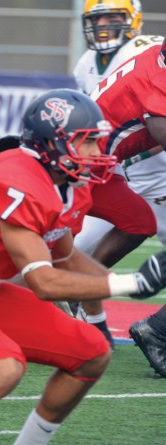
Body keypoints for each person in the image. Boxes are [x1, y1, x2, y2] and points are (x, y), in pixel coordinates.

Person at [0, 88, 166, 445]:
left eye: (97, 142)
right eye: (85, 143)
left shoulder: (73, 186)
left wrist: (120, 286)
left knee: (92, 353)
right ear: (50, 146)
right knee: (3, 368)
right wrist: (128, 283)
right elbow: (42, 282)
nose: (96, 153)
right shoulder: (17, 179)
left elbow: (66, 257)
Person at [71, 0, 162, 347]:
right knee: (52, 252)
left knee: (65, 253)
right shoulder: (92, 63)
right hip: (97, 167)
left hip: (114, 169)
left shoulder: (147, 48)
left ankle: (87, 309)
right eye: (99, 18)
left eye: (113, 17)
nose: (105, 25)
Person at [88, 38, 166, 377]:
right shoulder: (158, 83)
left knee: (139, 222)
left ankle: (83, 293)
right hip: (78, 167)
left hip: (101, 164)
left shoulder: (156, 57)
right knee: (41, 265)